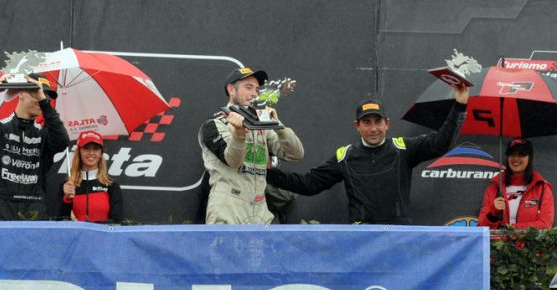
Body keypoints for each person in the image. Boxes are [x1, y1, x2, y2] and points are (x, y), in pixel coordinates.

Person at [267, 85, 469, 224]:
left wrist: (459, 104)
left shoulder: (403, 149)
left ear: (387, 123)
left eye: (377, 122)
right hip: (361, 237)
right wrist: (269, 172)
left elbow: (440, 143)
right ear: (357, 126)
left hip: (397, 234)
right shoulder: (345, 156)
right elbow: (308, 185)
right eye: (367, 122)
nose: (373, 128)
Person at [198, 67, 304, 224]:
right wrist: (239, 134)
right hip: (229, 205)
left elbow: (296, 154)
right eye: (248, 87)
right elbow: (233, 161)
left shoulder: (262, 125)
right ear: (231, 89)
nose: (254, 93)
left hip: (260, 207)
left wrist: (278, 126)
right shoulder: (214, 124)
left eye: (257, 89)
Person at [0, 75, 69, 220]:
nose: (41, 98)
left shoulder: (45, 135)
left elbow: (62, 142)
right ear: (21, 93)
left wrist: (43, 101)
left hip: (34, 208)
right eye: (35, 92)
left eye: (46, 97)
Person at [478, 137, 554, 230]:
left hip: (530, 244)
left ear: (530, 158)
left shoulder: (542, 188)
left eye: (521, 154)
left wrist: (511, 229)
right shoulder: (495, 186)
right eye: (511, 154)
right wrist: (493, 212)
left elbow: (545, 225)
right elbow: (481, 227)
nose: (516, 158)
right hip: (498, 243)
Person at [57, 130, 123, 223]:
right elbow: (59, 221)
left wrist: (90, 227)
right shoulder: (68, 185)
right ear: (79, 152)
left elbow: (117, 221)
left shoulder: (111, 186)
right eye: (86, 148)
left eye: (96, 149)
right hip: (75, 237)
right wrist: (67, 200)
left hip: (103, 237)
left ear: (101, 153)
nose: (91, 152)